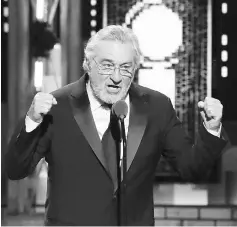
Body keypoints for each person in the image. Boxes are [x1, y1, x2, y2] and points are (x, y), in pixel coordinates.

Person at [5, 25, 227, 226]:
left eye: (125, 67)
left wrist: (211, 129)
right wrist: (32, 121)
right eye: (107, 66)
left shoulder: (157, 107)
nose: (116, 77)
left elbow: (192, 168)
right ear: (88, 65)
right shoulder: (58, 106)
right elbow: (16, 170)